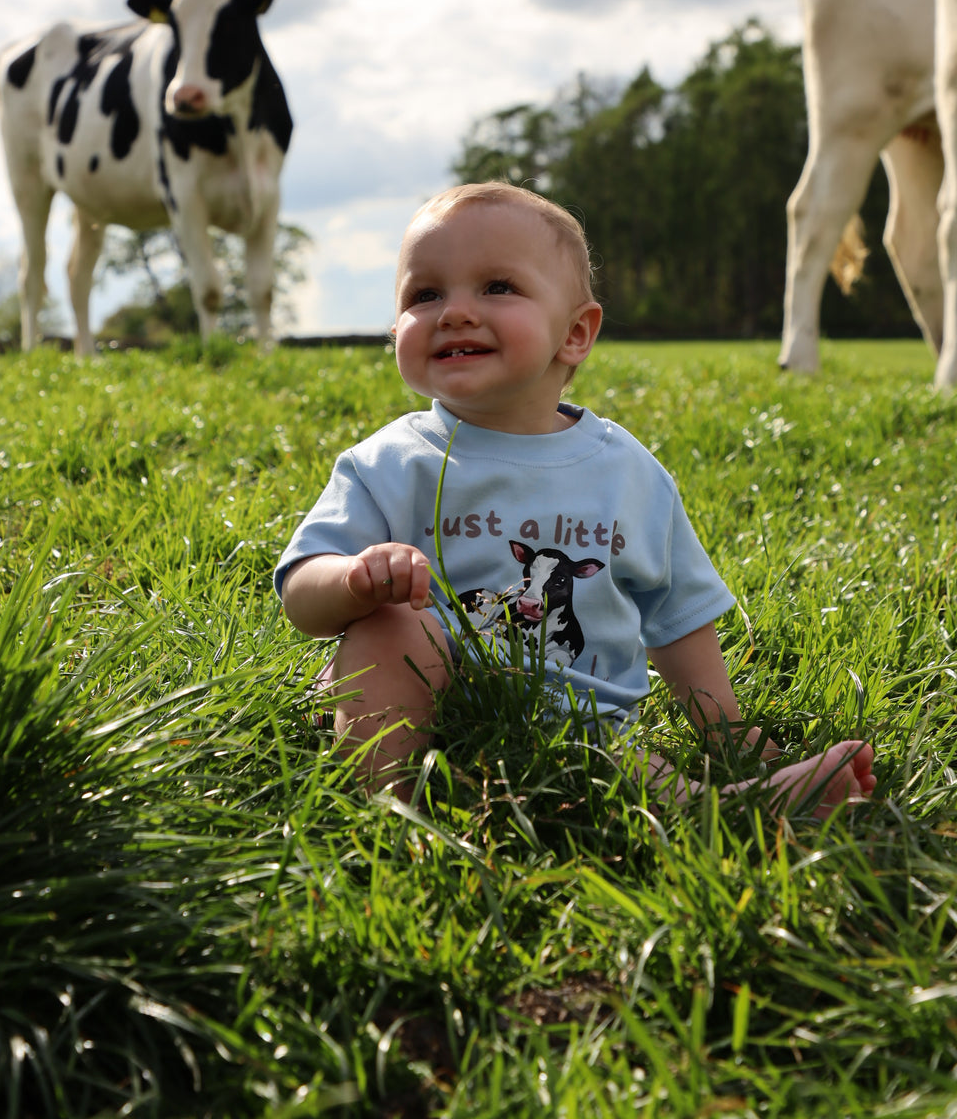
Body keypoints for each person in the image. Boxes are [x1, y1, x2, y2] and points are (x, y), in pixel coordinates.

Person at [276, 182, 875, 815]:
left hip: (580, 730)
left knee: (630, 773)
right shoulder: (391, 463)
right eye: (425, 295)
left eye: (497, 287)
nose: (454, 312)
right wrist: (354, 579)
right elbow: (301, 595)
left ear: (576, 333)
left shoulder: (626, 473)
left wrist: (723, 728)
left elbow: (678, 613)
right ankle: (388, 812)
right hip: (412, 709)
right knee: (395, 625)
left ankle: (725, 807)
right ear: (395, 327)